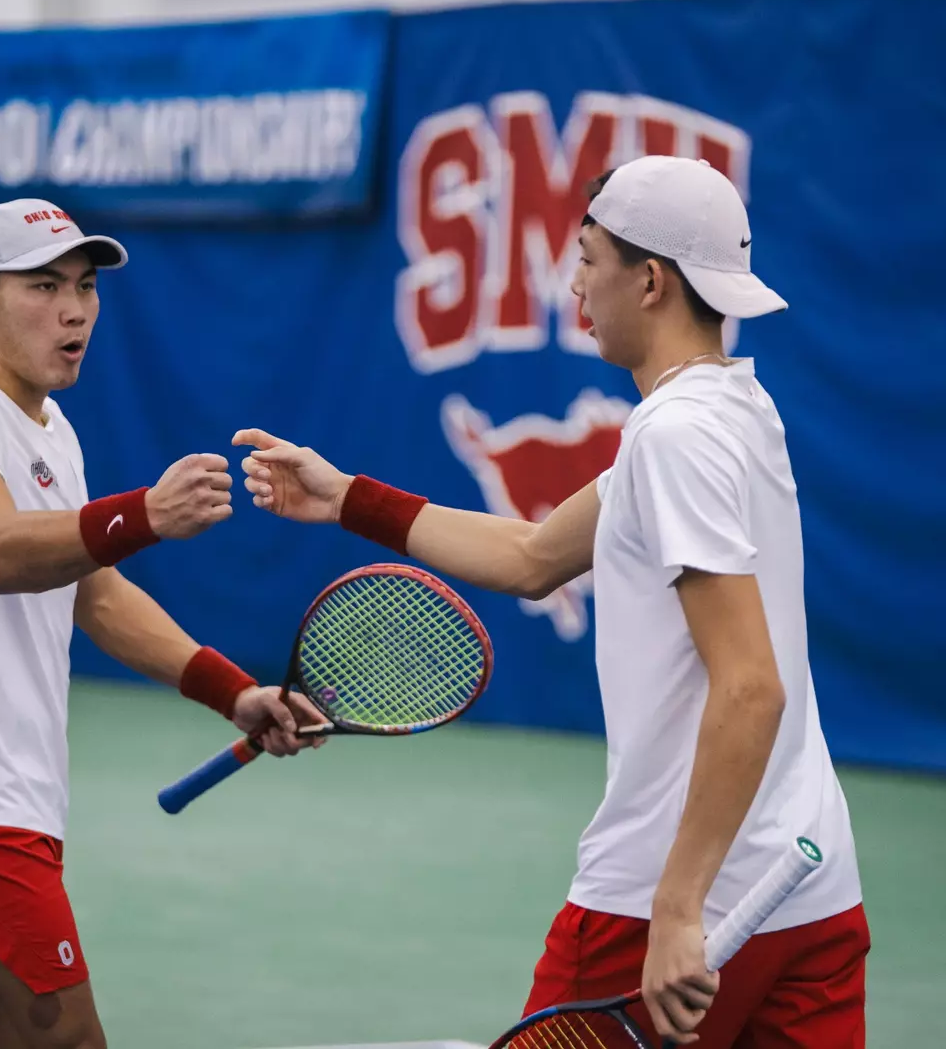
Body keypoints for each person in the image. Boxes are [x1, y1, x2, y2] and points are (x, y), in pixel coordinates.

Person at [233, 157, 868, 1047]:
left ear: (649, 281)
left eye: (588, 256)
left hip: (672, 898)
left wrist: (678, 908)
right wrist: (345, 499)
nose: (574, 282)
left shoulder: (678, 437)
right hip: (809, 891)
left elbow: (750, 686)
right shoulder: (732, 408)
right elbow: (534, 556)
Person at [0, 198, 323, 1049]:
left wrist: (235, 693)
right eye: (43, 286)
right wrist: (146, 514)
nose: (74, 310)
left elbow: (93, 595)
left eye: (84, 286)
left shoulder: (48, 428)